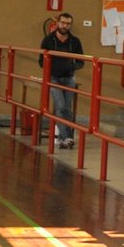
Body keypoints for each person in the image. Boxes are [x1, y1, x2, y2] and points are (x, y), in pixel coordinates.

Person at [38, 11, 84, 147]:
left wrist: (73, 66)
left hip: (69, 77)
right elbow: (41, 61)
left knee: (67, 109)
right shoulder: (48, 40)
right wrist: (52, 68)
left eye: (68, 24)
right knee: (60, 106)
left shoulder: (75, 41)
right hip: (53, 78)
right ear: (58, 23)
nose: (65, 26)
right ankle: (68, 137)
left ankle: (64, 139)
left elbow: (81, 60)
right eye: (63, 22)